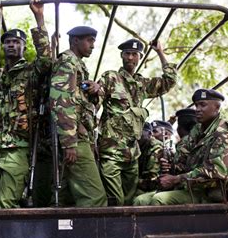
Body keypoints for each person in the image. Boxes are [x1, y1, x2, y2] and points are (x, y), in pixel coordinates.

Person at [0, 0, 51, 208]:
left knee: (6, 202)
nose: (11, 45)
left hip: (17, 146)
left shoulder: (30, 72)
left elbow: (47, 60)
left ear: (23, 46)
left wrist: (39, 18)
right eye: (8, 42)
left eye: (17, 42)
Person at [96, 38, 177, 206]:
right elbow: (94, 105)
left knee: (132, 201)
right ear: (122, 56)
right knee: (116, 201)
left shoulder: (142, 84)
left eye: (135, 54)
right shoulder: (111, 78)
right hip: (111, 153)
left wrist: (160, 52)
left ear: (140, 57)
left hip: (132, 155)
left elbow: (169, 81)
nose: (131, 58)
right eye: (127, 54)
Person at [50, 26, 107, 207]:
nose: (92, 46)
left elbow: (81, 105)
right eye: (89, 40)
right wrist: (70, 143)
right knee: (95, 199)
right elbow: (61, 102)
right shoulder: (68, 63)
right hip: (74, 140)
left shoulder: (78, 65)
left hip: (79, 137)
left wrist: (96, 90)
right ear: (75, 41)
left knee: (65, 200)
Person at [149, 89, 228, 205]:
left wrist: (176, 179)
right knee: (141, 200)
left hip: (210, 194)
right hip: (190, 188)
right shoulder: (197, 130)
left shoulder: (223, 131)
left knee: (158, 199)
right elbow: (183, 158)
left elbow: (218, 171)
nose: (197, 109)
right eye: (196, 105)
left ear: (216, 107)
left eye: (203, 105)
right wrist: (169, 164)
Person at [132, 123, 164, 205]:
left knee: (134, 198)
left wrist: (132, 181)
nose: (136, 135)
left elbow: (153, 180)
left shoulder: (156, 148)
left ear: (150, 134)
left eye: (140, 133)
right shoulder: (137, 146)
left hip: (155, 187)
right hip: (143, 184)